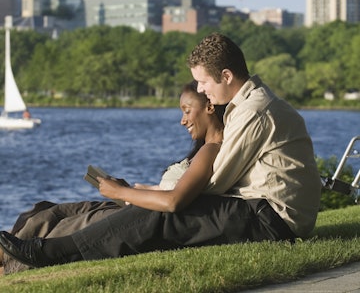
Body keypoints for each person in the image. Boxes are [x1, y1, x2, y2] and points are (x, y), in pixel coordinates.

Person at [0, 33, 322, 270]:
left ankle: (48, 252)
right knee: (158, 212)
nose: (199, 90)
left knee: (163, 214)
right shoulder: (246, 106)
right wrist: (145, 192)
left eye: (203, 82)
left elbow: (210, 186)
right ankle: (50, 249)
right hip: (265, 212)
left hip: (272, 221)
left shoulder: (253, 111)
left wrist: (143, 194)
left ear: (226, 76)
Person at [0, 81, 225, 271]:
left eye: (187, 111)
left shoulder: (211, 149)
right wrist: (133, 190)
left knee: (64, 226)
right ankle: (6, 251)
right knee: (47, 210)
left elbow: (175, 200)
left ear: (209, 107)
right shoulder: (201, 149)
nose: (182, 120)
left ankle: (11, 263)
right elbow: (178, 189)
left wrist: (121, 192)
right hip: (134, 204)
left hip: (139, 216)